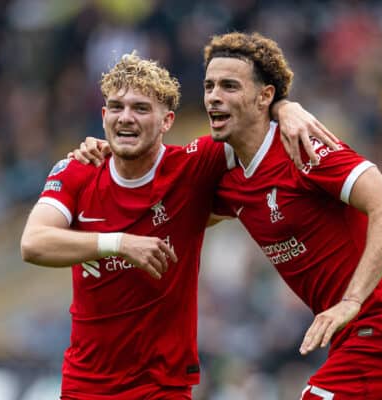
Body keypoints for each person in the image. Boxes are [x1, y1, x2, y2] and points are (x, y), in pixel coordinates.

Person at [75, 32, 382, 399]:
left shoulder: (303, 148)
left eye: (230, 86)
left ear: (264, 95)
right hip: (365, 341)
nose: (214, 96)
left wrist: (351, 301)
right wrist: (111, 147)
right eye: (209, 86)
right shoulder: (226, 173)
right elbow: (157, 180)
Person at [21, 52, 335, 399]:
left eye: (141, 108)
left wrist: (285, 108)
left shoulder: (190, 168)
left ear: (167, 120)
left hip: (162, 388)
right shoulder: (77, 170)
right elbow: (33, 243)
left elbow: (250, 121)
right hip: (86, 385)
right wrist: (121, 243)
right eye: (116, 107)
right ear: (103, 115)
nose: (126, 118)